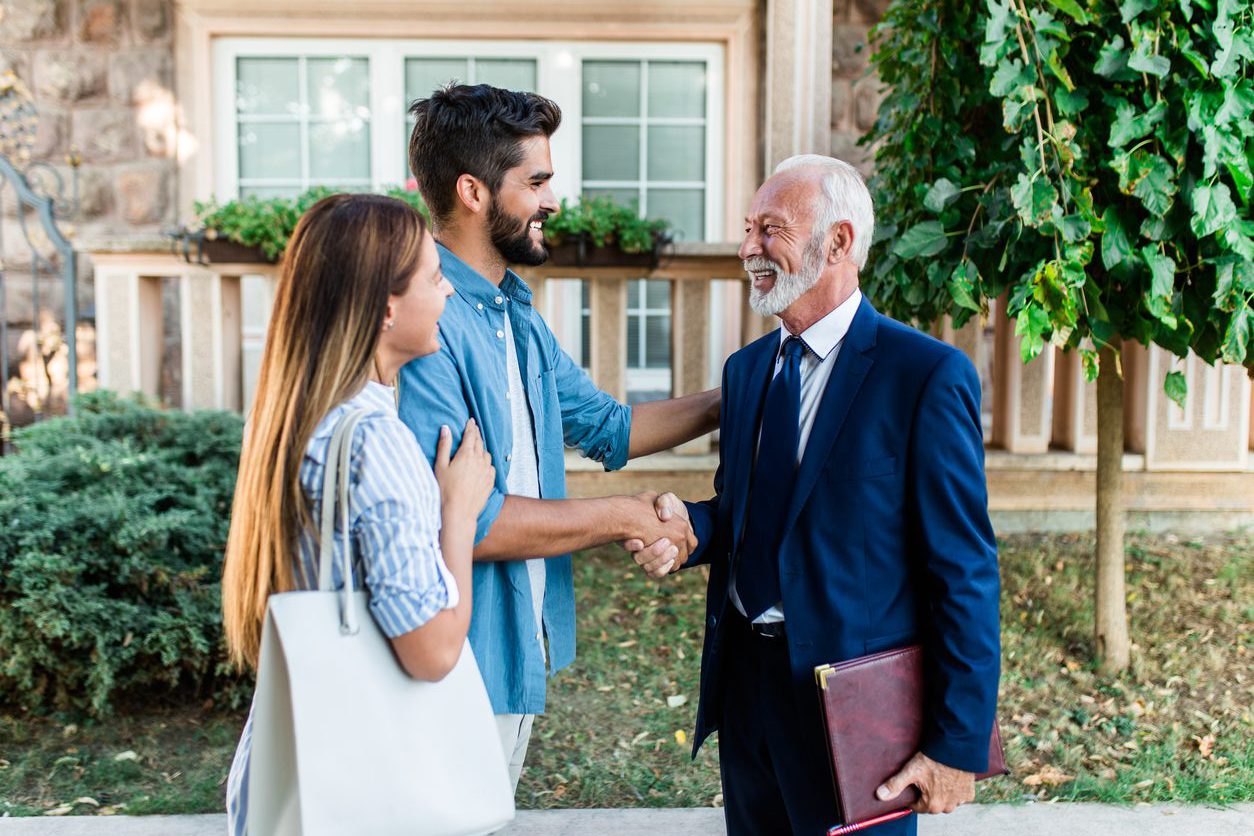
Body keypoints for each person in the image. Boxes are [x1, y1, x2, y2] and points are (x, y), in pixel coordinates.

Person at [630, 155, 1001, 835]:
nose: (748, 249)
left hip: (858, 714)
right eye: (748, 229)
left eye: (770, 229)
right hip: (747, 694)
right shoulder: (746, 373)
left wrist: (956, 745)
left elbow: (965, 571)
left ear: (838, 242)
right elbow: (751, 517)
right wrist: (693, 531)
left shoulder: (924, 375)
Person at [401, 83, 719, 789]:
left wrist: (744, 392)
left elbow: (610, 428)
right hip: (455, 660)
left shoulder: (517, 314)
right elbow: (467, 522)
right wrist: (626, 517)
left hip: (515, 647)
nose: (552, 201)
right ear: (473, 192)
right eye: (536, 182)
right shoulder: (427, 328)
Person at [220, 194, 495, 835]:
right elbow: (431, 651)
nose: (448, 293)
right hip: (362, 794)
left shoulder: (291, 420)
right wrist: (457, 515)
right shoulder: (376, 441)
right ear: (386, 306)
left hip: (283, 776)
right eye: (434, 276)